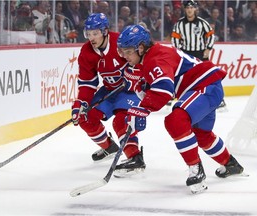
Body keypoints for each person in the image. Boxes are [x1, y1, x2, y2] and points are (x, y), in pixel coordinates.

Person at [117, 24, 244, 193]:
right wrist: (143, 87)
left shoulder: (155, 59)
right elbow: (159, 83)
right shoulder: (153, 55)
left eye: (128, 52)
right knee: (202, 135)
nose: (125, 56)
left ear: (141, 48)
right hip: (206, 87)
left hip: (204, 87)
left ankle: (196, 169)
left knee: (176, 120)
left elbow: (163, 91)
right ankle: (231, 164)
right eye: (122, 52)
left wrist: (141, 109)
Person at [71, 13, 145, 177]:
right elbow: (87, 83)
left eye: (95, 33)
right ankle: (109, 147)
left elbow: (141, 60)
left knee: (121, 120)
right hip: (110, 90)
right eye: (88, 34)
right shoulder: (86, 52)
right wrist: (81, 103)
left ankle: (135, 157)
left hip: (131, 90)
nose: (91, 38)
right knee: (85, 116)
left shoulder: (120, 42)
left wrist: (136, 77)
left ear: (105, 31)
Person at [171, 0, 226, 109]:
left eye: (192, 8)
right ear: (185, 9)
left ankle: (219, 99)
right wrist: (179, 51)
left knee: (209, 76)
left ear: (195, 9)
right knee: (182, 77)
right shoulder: (180, 24)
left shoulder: (202, 22)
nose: (190, 10)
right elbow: (175, 38)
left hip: (200, 54)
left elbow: (210, 35)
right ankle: (176, 96)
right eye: (187, 8)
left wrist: (208, 48)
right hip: (186, 54)